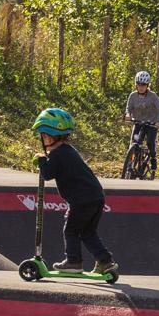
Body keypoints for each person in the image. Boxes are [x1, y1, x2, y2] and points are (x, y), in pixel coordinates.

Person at [33, 106, 115, 275]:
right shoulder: (69, 151)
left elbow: (47, 174)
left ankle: (74, 262)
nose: (43, 138)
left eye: (44, 135)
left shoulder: (57, 155)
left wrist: (41, 161)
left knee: (70, 230)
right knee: (87, 232)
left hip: (81, 200)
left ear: (52, 136)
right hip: (96, 197)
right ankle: (105, 262)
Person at [123, 71, 159, 167]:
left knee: (150, 142)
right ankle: (131, 162)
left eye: (144, 85)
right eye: (139, 84)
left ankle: (153, 158)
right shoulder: (132, 96)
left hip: (151, 124)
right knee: (134, 142)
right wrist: (127, 115)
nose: (141, 87)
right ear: (136, 85)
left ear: (147, 85)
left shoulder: (153, 96)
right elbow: (128, 108)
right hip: (138, 122)